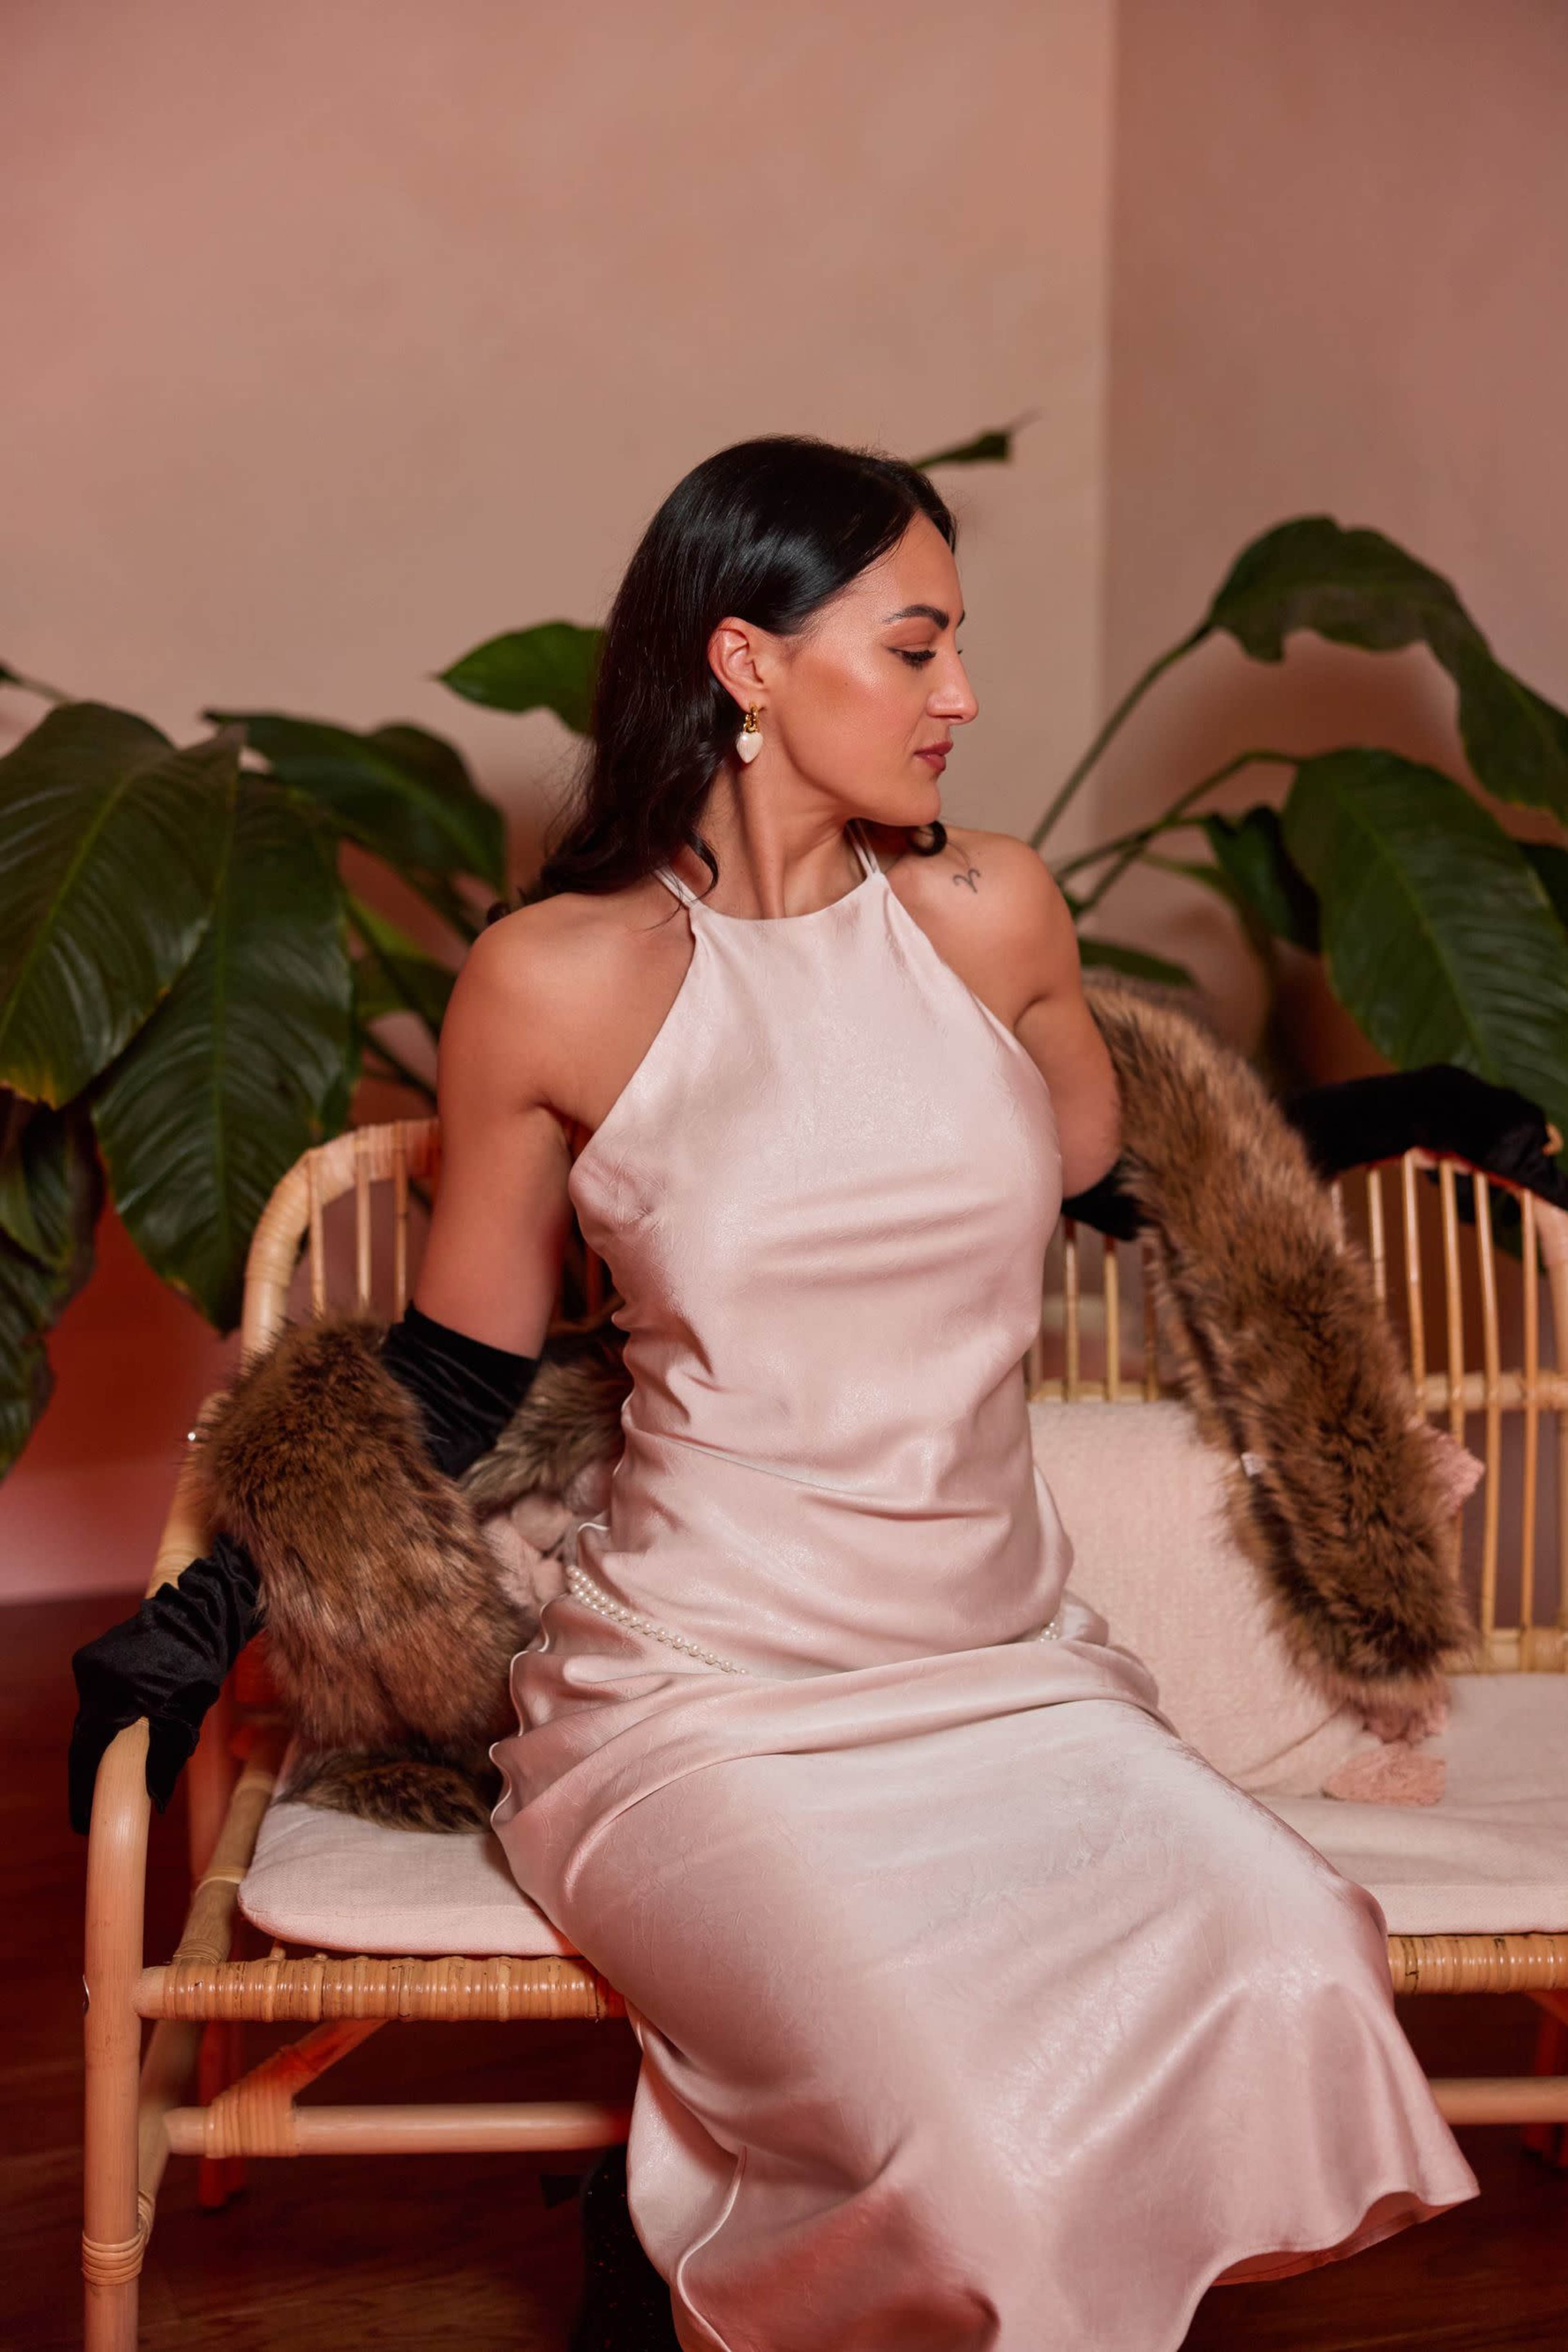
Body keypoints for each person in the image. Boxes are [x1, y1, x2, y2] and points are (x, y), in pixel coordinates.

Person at [430, 436, 1479, 2350]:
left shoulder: (988, 917)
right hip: (709, 1709)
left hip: (1003, 1674)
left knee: (1296, 1952)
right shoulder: (555, 979)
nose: (964, 698)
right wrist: (213, 1608)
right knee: (966, 2137)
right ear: (747, 664)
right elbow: (457, 1362)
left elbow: (1121, 1181)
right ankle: (688, 2252)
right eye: (915, 649)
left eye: (959, 649)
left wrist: (1414, 1112)